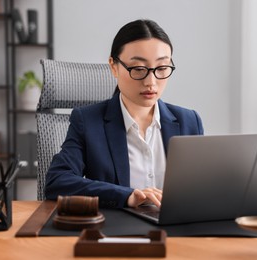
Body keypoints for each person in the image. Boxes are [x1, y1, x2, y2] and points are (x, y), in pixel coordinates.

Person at [45, 19, 204, 208]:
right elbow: (57, 181)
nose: (151, 82)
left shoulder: (189, 121)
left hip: (177, 230)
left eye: (161, 68)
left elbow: (202, 187)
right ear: (114, 66)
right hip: (116, 231)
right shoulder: (88, 121)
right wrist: (126, 195)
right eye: (138, 69)